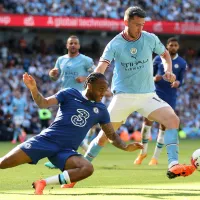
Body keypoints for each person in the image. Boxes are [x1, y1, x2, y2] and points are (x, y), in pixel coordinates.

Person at [81, 6, 195, 183]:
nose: (140, 29)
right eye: (136, 25)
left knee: (173, 120)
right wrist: (93, 83)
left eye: (142, 24)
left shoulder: (150, 38)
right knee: (104, 137)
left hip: (147, 95)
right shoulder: (115, 44)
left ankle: (173, 164)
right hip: (123, 97)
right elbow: (102, 67)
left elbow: (165, 54)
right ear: (126, 22)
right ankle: (81, 167)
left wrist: (168, 70)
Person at [0, 72, 143, 195]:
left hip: (66, 151)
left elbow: (112, 135)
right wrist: (33, 89)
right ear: (89, 84)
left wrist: (126, 147)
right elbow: (43, 103)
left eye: (105, 90)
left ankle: (42, 182)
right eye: (100, 89)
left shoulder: (101, 109)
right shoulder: (69, 93)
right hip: (46, 140)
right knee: (3, 163)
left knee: (87, 168)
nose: (102, 94)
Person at [134, 37, 188, 166]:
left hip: (170, 97)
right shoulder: (158, 59)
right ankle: (143, 152)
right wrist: (154, 78)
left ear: (178, 47)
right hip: (155, 95)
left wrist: (177, 83)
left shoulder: (182, 62)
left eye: (175, 45)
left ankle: (155, 157)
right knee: (147, 121)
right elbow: (148, 75)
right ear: (167, 46)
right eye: (171, 45)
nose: (173, 47)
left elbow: (182, 80)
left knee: (164, 126)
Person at [45, 35, 95, 169]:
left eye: (75, 43)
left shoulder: (86, 60)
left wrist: (85, 78)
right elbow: (55, 78)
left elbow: (97, 77)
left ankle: (73, 155)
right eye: (71, 43)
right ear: (67, 46)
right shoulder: (60, 60)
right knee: (62, 127)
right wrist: (52, 75)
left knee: (70, 127)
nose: (73, 45)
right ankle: (66, 156)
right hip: (64, 97)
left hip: (80, 97)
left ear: (79, 46)